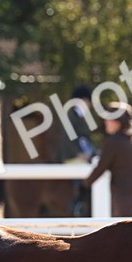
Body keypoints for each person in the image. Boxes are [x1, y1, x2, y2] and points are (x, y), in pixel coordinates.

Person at [84, 103, 132, 217]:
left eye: (109, 119)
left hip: (125, 199)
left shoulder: (113, 142)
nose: (106, 122)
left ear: (119, 121)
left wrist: (85, 185)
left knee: (126, 233)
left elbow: (100, 167)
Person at [58, 84, 99, 216]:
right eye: (88, 102)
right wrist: (79, 153)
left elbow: (85, 139)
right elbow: (68, 138)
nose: (90, 105)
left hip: (83, 154)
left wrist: (95, 151)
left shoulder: (81, 116)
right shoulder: (71, 116)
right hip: (71, 156)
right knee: (86, 172)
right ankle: (77, 204)